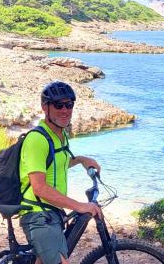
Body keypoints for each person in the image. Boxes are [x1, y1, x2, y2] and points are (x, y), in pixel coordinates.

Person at [19, 81, 102, 264]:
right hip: (38, 214)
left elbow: (56, 164)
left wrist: (80, 159)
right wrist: (78, 205)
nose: (65, 110)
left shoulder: (60, 135)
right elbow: (39, 187)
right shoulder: (37, 140)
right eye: (58, 105)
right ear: (44, 107)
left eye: (69, 104)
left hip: (52, 211)